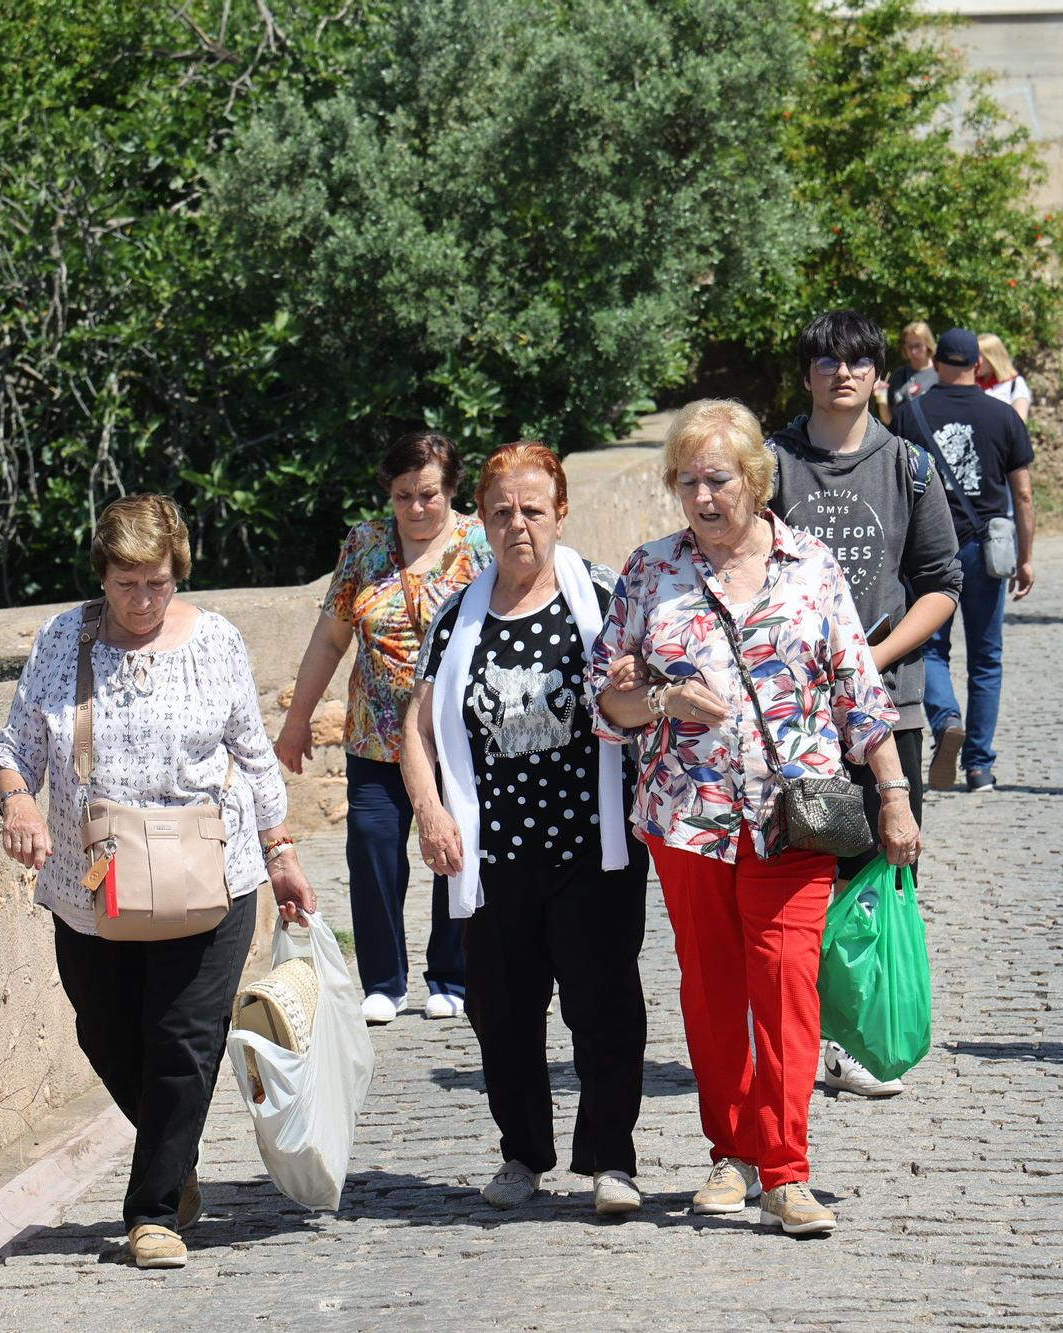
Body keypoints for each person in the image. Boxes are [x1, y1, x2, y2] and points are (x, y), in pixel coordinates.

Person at [588, 399, 918, 1237]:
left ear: (756, 480)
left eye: (718, 479)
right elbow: (606, 701)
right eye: (688, 481)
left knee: (784, 985)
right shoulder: (649, 571)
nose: (702, 496)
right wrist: (660, 695)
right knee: (711, 990)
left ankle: (787, 1169)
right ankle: (729, 1155)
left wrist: (893, 793)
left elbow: (859, 690)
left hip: (794, 814)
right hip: (689, 818)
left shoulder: (812, 567)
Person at [0, 495, 317, 1269]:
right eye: (127, 581)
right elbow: (14, 747)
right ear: (101, 573)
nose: (143, 600)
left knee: (182, 1039)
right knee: (105, 1031)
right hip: (90, 882)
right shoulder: (64, 639)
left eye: (158, 582)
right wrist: (20, 803)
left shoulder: (217, 643)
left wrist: (281, 853)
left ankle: (154, 1209)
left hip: (211, 871)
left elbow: (254, 753)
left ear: (179, 574)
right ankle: (175, 1156)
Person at [401, 442, 650, 1217]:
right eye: (502, 511)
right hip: (492, 850)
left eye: (533, 510)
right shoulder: (457, 618)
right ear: (481, 519)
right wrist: (430, 809)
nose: (518, 526)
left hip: (592, 845)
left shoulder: (604, 598)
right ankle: (523, 1153)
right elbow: (416, 725)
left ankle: (611, 1157)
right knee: (502, 1012)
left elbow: (642, 696)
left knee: (603, 1004)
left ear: (561, 512)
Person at [765, 308, 960, 1099]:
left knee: (874, 864)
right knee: (795, 871)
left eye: (857, 363)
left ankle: (848, 1036)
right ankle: (794, 1034)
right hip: (784, 712)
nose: (841, 374)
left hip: (889, 706)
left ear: (879, 375)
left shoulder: (908, 465)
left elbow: (942, 584)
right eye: (826, 361)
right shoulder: (769, 465)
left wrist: (864, 663)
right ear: (807, 372)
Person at [275, 432, 493, 1025]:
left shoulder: (481, 543)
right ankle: (383, 981)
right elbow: (330, 637)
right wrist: (297, 724)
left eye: (428, 495)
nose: (416, 509)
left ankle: (451, 974)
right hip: (376, 736)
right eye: (403, 497)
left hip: (459, 738)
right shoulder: (365, 546)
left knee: (455, 847)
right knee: (373, 850)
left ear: (451, 490)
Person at [894, 327, 1036, 794]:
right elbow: (1024, 495)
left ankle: (945, 716)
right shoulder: (1003, 415)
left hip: (928, 550)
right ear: (979, 366)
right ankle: (979, 767)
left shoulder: (910, 414)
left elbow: (895, 489)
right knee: (987, 658)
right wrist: (1028, 557)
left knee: (931, 647)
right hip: (985, 551)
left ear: (936, 363)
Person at [880, 319, 938, 426]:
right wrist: (881, 397)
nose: (913, 351)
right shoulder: (898, 375)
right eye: (909, 346)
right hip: (903, 441)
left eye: (917, 345)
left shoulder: (940, 374)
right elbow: (890, 421)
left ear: (928, 344)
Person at [975, 333, 1032, 422]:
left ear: (992, 358)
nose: (975, 362)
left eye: (979, 356)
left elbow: (1020, 424)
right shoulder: (972, 383)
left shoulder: (1015, 384)